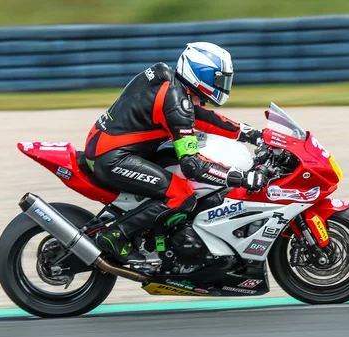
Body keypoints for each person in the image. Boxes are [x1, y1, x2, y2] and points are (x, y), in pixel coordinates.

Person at [84, 42, 268, 265]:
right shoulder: (176, 100)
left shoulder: (172, 86)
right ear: (202, 74)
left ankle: (159, 234)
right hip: (114, 157)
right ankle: (114, 236)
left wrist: (254, 135)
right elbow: (193, 166)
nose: (224, 86)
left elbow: (204, 118)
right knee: (181, 194)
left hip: (118, 148)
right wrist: (240, 177)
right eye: (220, 80)